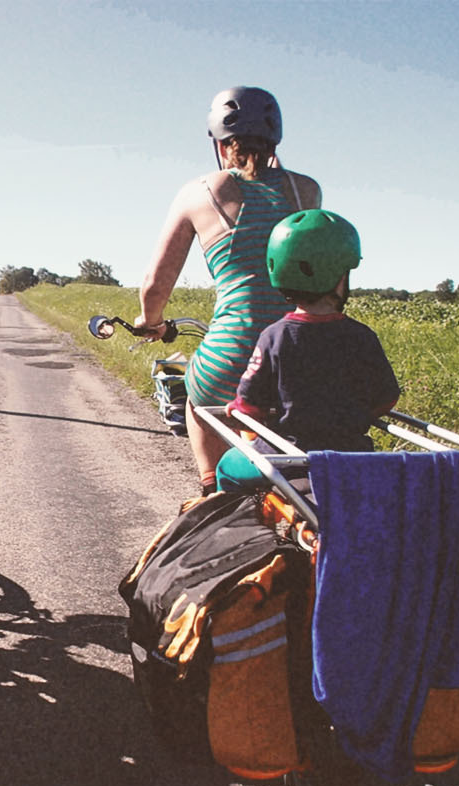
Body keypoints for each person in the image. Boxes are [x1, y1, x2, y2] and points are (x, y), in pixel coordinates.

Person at [134, 87, 322, 495]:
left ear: (219, 144)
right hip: (303, 355)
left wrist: (150, 322)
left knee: (199, 401)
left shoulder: (199, 191)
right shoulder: (306, 191)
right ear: (275, 140)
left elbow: (155, 284)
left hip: (230, 353)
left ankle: (211, 494)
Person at [217, 209, 401, 489]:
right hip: (352, 457)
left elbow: (249, 406)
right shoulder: (363, 337)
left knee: (226, 467)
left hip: (286, 457)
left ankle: (232, 526)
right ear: (339, 277)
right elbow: (386, 398)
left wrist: (238, 409)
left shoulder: (274, 336)